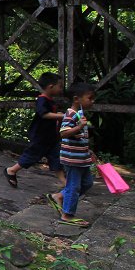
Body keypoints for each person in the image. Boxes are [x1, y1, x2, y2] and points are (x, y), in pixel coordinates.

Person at [47, 83, 97, 226]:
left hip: (81, 158)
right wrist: (79, 126)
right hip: (72, 159)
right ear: (77, 99)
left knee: (87, 183)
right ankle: (67, 215)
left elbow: (79, 136)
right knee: (74, 187)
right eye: (90, 98)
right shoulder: (70, 115)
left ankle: (60, 196)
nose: (92, 101)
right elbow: (63, 132)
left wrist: (89, 151)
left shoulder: (80, 113)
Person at [4, 73, 65, 187]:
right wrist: (60, 116)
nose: (61, 89)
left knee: (56, 157)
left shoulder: (51, 101)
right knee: (32, 156)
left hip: (50, 136)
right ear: (51, 86)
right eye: (60, 86)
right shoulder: (42, 100)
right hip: (40, 136)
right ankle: (11, 170)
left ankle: (64, 182)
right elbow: (44, 114)